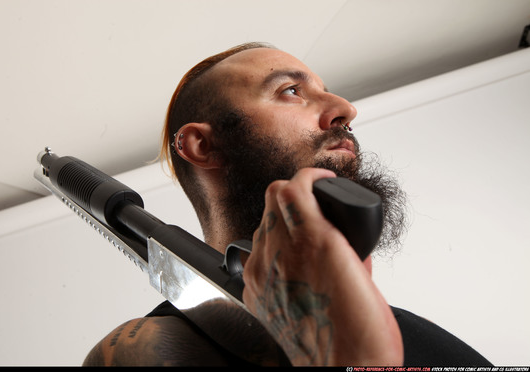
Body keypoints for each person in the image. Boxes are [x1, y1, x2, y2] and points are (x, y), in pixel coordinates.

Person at [82, 42, 492, 366]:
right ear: (202, 145)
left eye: (326, 91)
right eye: (291, 91)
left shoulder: (415, 335)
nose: (345, 109)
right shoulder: (150, 349)